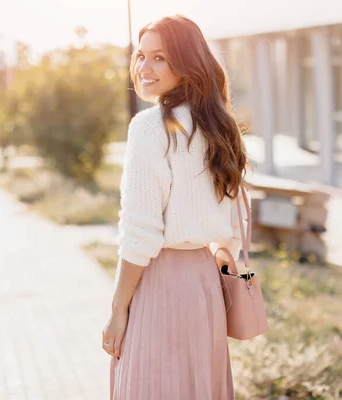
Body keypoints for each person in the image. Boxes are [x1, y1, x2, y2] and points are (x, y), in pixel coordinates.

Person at [101, 14, 250, 400]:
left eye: (160, 58)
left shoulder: (150, 128)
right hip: (205, 287)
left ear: (186, 64)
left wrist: (118, 309)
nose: (144, 68)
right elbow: (232, 226)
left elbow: (139, 233)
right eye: (140, 56)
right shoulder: (220, 127)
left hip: (159, 285)